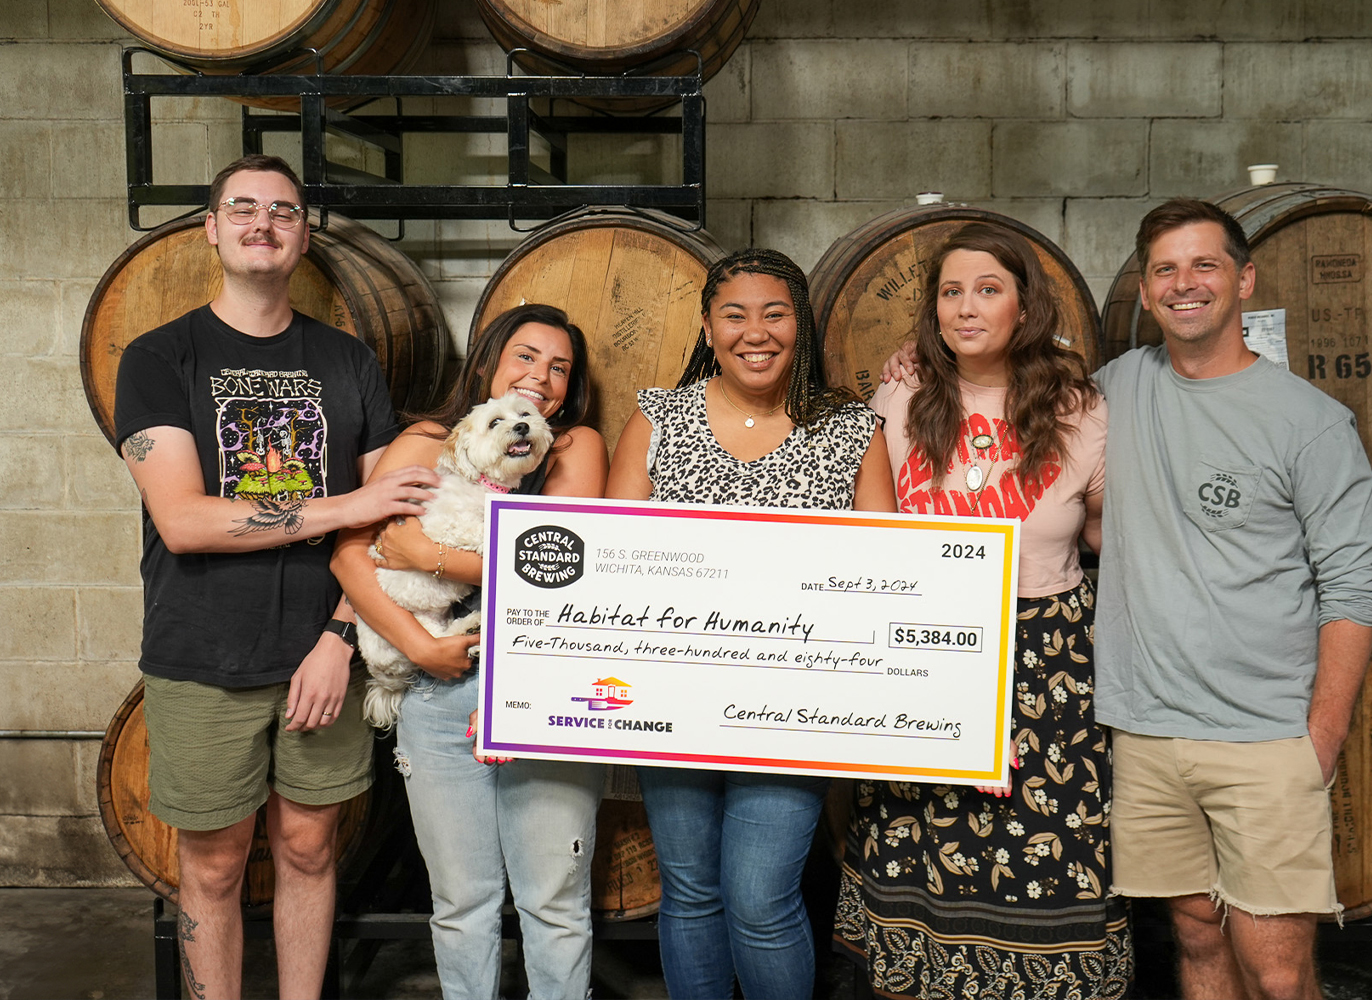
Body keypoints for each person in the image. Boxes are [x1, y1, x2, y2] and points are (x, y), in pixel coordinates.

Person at [113, 154, 440, 998]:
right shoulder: (159, 358)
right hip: (201, 653)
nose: (264, 222)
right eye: (244, 208)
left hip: (320, 655)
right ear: (212, 228)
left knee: (309, 847)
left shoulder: (347, 361)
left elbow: (387, 526)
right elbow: (184, 521)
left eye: (284, 211)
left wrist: (340, 638)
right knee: (214, 867)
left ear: (304, 237)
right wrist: (336, 506)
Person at [1090, 199, 1372, 1000]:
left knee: (1278, 971)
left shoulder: (1310, 422)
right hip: (1148, 729)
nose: (1185, 285)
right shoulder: (1114, 390)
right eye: (1166, 270)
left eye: (1205, 265)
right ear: (1146, 293)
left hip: (1265, 736)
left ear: (1244, 279)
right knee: (1193, 938)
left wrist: (1318, 741)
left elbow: (1355, 588)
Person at [840, 222, 1131, 999]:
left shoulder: (1082, 407)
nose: (967, 308)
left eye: (988, 290)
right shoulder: (902, 394)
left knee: (1049, 861)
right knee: (925, 863)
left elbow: (1108, 536)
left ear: (1024, 305)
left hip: (1046, 663)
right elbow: (872, 533)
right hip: (927, 652)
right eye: (951, 291)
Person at [606, 247, 898, 999]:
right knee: (691, 891)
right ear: (708, 325)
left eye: (775, 313)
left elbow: (893, 576)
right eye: (734, 315)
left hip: (792, 712)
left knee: (761, 896)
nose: (754, 332)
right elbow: (609, 557)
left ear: (799, 324)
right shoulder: (658, 418)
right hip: (672, 705)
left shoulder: (851, 431)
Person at [330, 303, 609, 999]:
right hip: (435, 690)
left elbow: (563, 568)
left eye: (559, 368)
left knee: (555, 905)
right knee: (460, 906)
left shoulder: (576, 447)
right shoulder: (427, 438)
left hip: (546, 694)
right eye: (525, 357)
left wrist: (433, 554)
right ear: (486, 364)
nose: (539, 378)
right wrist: (422, 648)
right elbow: (353, 558)